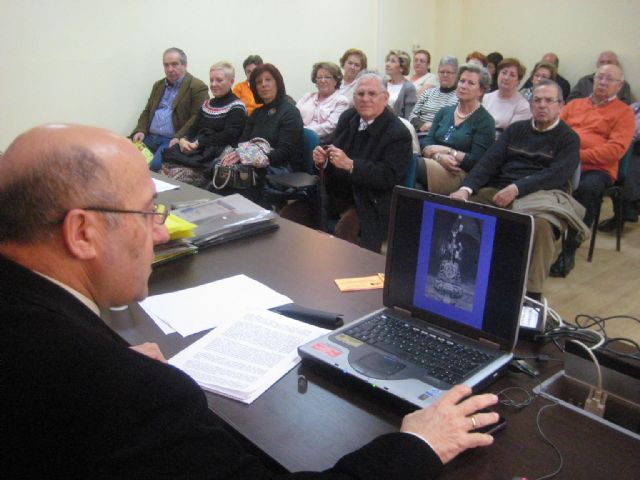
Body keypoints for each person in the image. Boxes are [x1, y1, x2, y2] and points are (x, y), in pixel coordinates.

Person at [0, 123, 500, 478]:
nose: (161, 231)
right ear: (82, 232)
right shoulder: (129, 396)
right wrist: (419, 444)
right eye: (150, 211)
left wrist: (103, 357)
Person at [450, 80, 587, 299]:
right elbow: (489, 162)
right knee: (459, 208)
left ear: (561, 105)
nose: (542, 105)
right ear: (531, 104)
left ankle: (533, 295)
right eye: (537, 100)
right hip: (502, 188)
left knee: (541, 225)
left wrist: (517, 188)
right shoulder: (516, 130)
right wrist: (465, 189)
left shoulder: (568, 138)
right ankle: (462, 277)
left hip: (544, 195)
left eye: (549, 101)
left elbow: (556, 175)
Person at [551, 63, 636, 276]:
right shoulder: (574, 105)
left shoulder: (624, 113)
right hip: (564, 164)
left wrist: (576, 155)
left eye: (609, 79)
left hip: (597, 169)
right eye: (600, 77)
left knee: (587, 189)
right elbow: (555, 131)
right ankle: (543, 234)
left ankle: (569, 249)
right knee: (536, 179)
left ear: (619, 85)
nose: (603, 82)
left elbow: (614, 150)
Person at [315, 72, 412, 252]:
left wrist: (351, 165)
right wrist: (324, 159)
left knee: (345, 230)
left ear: (385, 98)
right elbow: (333, 149)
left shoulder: (398, 133)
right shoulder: (348, 118)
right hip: (340, 192)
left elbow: (389, 176)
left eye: (372, 94)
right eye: (360, 94)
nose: (365, 99)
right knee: (294, 213)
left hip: (371, 201)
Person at [219, 63, 303, 207]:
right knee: (221, 166)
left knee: (241, 180)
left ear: (277, 82)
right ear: (255, 88)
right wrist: (231, 156)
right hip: (252, 167)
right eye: (259, 82)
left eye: (268, 80)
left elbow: (284, 153)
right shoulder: (257, 113)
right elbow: (242, 143)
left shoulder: (290, 112)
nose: (264, 85)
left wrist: (248, 157)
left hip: (278, 170)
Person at [160, 61, 247, 188]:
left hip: (213, 154)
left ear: (231, 81)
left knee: (175, 179)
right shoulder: (207, 104)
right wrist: (184, 139)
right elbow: (193, 127)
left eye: (219, 80)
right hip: (195, 149)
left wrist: (199, 143)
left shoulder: (237, 107)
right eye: (211, 80)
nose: (213, 84)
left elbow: (229, 135)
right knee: (164, 170)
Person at [418, 63, 495, 194]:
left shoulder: (485, 121)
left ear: (481, 90)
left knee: (409, 164)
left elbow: (476, 161)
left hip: (457, 173)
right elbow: (426, 142)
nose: (464, 86)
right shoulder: (444, 112)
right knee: (415, 186)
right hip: (433, 162)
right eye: (462, 81)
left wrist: (448, 151)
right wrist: (438, 157)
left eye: (471, 83)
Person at [131, 47, 209, 172]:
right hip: (149, 137)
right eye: (166, 65)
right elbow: (147, 111)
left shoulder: (197, 87)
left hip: (171, 140)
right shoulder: (159, 85)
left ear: (184, 64)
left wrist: (179, 137)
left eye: (174, 64)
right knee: (126, 159)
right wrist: (140, 130)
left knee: (154, 167)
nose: (170, 69)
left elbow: (197, 117)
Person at [409, 56, 459, 145]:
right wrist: (421, 125)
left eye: (449, 72)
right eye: (442, 72)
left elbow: (456, 122)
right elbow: (412, 115)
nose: (445, 75)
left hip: (441, 138)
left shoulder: (459, 97)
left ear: (456, 75)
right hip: (419, 133)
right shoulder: (428, 93)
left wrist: (433, 125)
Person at [296, 62, 349, 142]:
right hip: (297, 137)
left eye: (327, 77)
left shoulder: (342, 101)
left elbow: (330, 127)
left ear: (335, 81)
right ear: (315, 81)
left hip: (322, 144)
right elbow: (293, 115)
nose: (323, 80)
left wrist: (302, 131)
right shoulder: (307, 97)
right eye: (319, 77)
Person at [482, 58, 531, 137]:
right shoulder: (485, 98)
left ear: (518, 81)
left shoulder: (523, 106)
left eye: (512, 75)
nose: (506, 78)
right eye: (504, 73)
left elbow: (511, 136)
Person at [567, 51, 635, 105]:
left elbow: (626, 105)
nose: (605, 64)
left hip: (610, 118)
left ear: (616, 64)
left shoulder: (623, 85)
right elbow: (570, 100)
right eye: (602, 62)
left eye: (609, 62)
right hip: (583, 116)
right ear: (597, 64)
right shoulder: (584, 81)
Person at [385, 50, 417, 119]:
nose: (387, 64)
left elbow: (409, 117)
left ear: (402, 68)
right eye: (388, 60)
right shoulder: (383, 84)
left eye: (392, 61)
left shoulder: (409, 88)